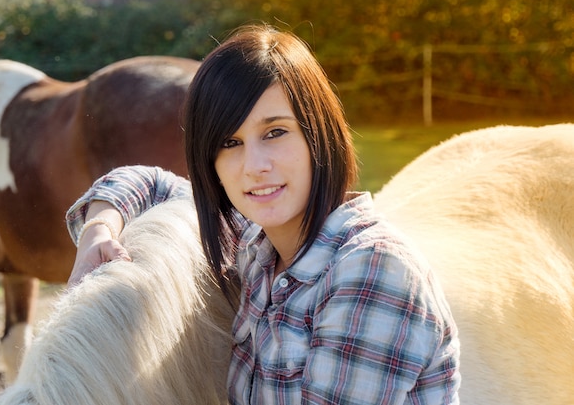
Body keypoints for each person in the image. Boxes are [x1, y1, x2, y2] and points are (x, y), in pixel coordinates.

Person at [66, 24, 461, 404]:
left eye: (275, 132)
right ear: (212, 166)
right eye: (230, 142)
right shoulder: (260, 244)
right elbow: (148, 182)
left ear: (317, 134)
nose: (254, 165)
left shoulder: (372, 270)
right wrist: (100, 228)